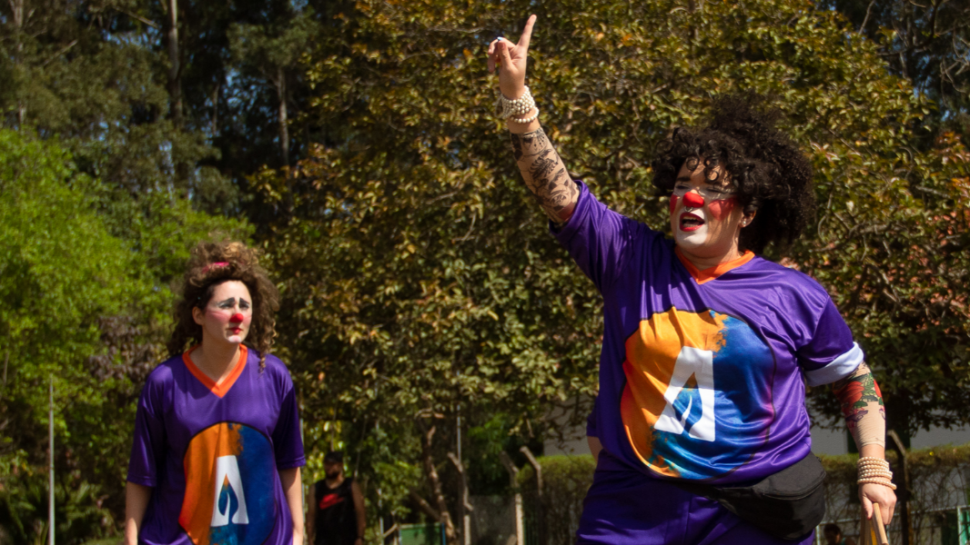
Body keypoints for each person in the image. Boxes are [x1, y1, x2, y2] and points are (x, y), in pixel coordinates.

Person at [487, 15, 897, 544]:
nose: (691, 197)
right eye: (682, 184)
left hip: (756, 513)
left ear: (746, 211)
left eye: (713, 188)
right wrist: (518, 100)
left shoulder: (795, 294)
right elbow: (557, 192)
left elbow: (855, 380)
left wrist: (873, 469)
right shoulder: (628, 256)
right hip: (631, 507)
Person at [124, 240, 306, 545]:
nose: (237, 314)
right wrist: (130, 540)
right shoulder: (164, 382)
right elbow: (143, 474)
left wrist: (298, 534)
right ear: (198, 315)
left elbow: (290, 463)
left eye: (244, 305)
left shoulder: (274, 377)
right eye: (225, 305)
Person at [306, 451, 366, 545]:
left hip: (347, 540)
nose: (328, 467)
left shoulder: (350, 486)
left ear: (340, 465)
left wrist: (360, 537)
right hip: (323, 541)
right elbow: (311, 514)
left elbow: (360, 511)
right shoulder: (316, 488)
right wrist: (309, 538)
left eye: (332, 464)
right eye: (326, 463)